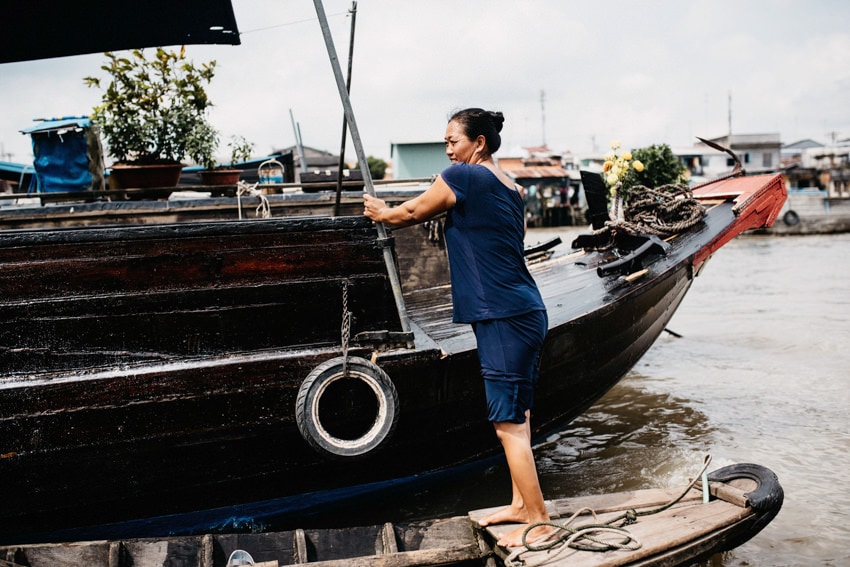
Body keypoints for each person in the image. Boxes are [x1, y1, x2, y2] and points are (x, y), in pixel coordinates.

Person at [362, 108, 553, 548]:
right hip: (525, 309)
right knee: (518, 414)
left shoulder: (463, 177)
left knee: (506, 423)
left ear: (478, 143)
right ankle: (519, 505)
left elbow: (412, 212)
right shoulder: (510, 185)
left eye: (453, 140)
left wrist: (382, 212)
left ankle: (539, 522)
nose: (448, 148)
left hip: (501, 314)